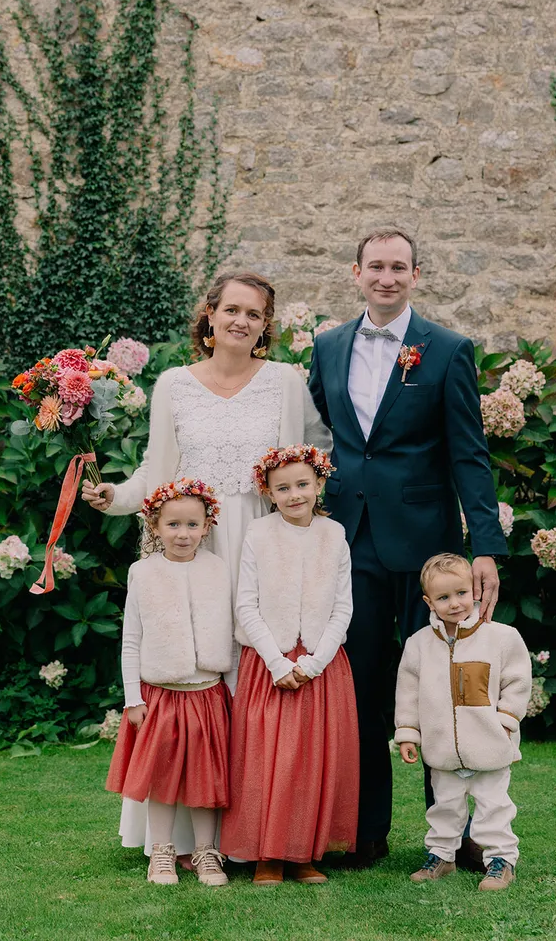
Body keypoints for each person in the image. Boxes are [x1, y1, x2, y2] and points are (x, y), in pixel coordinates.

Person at [82, 271, 331, 858]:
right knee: (191, 681)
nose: (243, 321)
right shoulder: (174, 383)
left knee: (252, 676)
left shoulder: (286, 383)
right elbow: (156, 471)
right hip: (193, 547)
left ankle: (252, 832)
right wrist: (112, 496)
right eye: (233, 310)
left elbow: (316, 456)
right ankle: (182, 836)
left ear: (266, 327)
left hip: (264, 542)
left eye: (256, 314)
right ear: (210, 316)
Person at [308, 227, 509, 868]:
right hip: (352, 541)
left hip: (430, 552)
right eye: (376, 267)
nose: (386, 277)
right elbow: (321, 437)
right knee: (363, 686)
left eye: (399, 267)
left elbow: (469, 454)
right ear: (356, 272)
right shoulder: (327, 346)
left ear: (416, 275)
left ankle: (453, 836)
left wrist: (485, 547)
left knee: (446, 688)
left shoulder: (447, 350)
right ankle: (365, 832)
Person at [220, 444, 359, 886]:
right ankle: (267, 855)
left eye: (303, 484)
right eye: (283, 488)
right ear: (269, 492)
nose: (295, 494)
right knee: (267, 759)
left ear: (320, 483)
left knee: (312, 761)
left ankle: (304, 853)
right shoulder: (259, 535)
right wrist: (277, 662)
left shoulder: (334, 535)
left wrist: (316, 662)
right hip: (270, 664)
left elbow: (343, 607)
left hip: (321, 662)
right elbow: (246, 604)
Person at [106, 478, 233, 886]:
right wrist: (132, 698)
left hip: (207, 693)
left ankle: (206, 852)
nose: (183, 534)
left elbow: (230, 635)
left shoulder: (218, 569)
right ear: (154, 527)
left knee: (207, 779)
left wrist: (232, 690)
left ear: (207, 526)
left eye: (192, 525)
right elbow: (132, 639)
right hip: (161, 694)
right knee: (162, 778)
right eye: (173, 525)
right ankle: (161, 852)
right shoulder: (143, 573)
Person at [395, 552, 531, 891]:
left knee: (493, 806)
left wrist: (506, 721)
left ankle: (501, 860)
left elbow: (517, 681)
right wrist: (408, 733)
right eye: (443, 597)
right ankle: (442, 855)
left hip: (489, 745)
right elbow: (408, 691)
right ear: (428, 601)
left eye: (460, 593)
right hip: (442, 748)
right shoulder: (419, 645)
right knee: (445, 807)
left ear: (474, 590)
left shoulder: (501, 637)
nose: (454, 603)